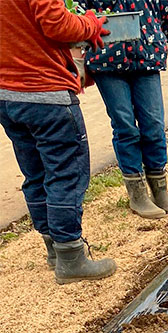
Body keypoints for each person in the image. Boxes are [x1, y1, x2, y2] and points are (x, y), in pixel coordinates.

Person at [0, 0, 117, 284]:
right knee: (66, 173)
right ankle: (71, 259)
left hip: (7, 94)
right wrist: (90, 23)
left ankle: (54, 250)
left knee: (36, 173)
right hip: (45, 92)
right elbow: (57, 23)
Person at [80, 0, 168, 219]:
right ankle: (137, 194)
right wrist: (77, 58)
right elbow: (78, 14)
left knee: (153, 125)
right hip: (106, 59)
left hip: (147, 56)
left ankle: (160, 192)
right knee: (125, 126)